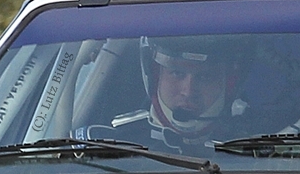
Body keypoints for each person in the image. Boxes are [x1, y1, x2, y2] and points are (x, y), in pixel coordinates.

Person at [105, 39, 246, 153]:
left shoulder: (256, 146)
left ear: (229, 84)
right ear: (155, 77)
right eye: (177, 73)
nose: (188, 91)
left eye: (204, 77)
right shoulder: (114, 145)